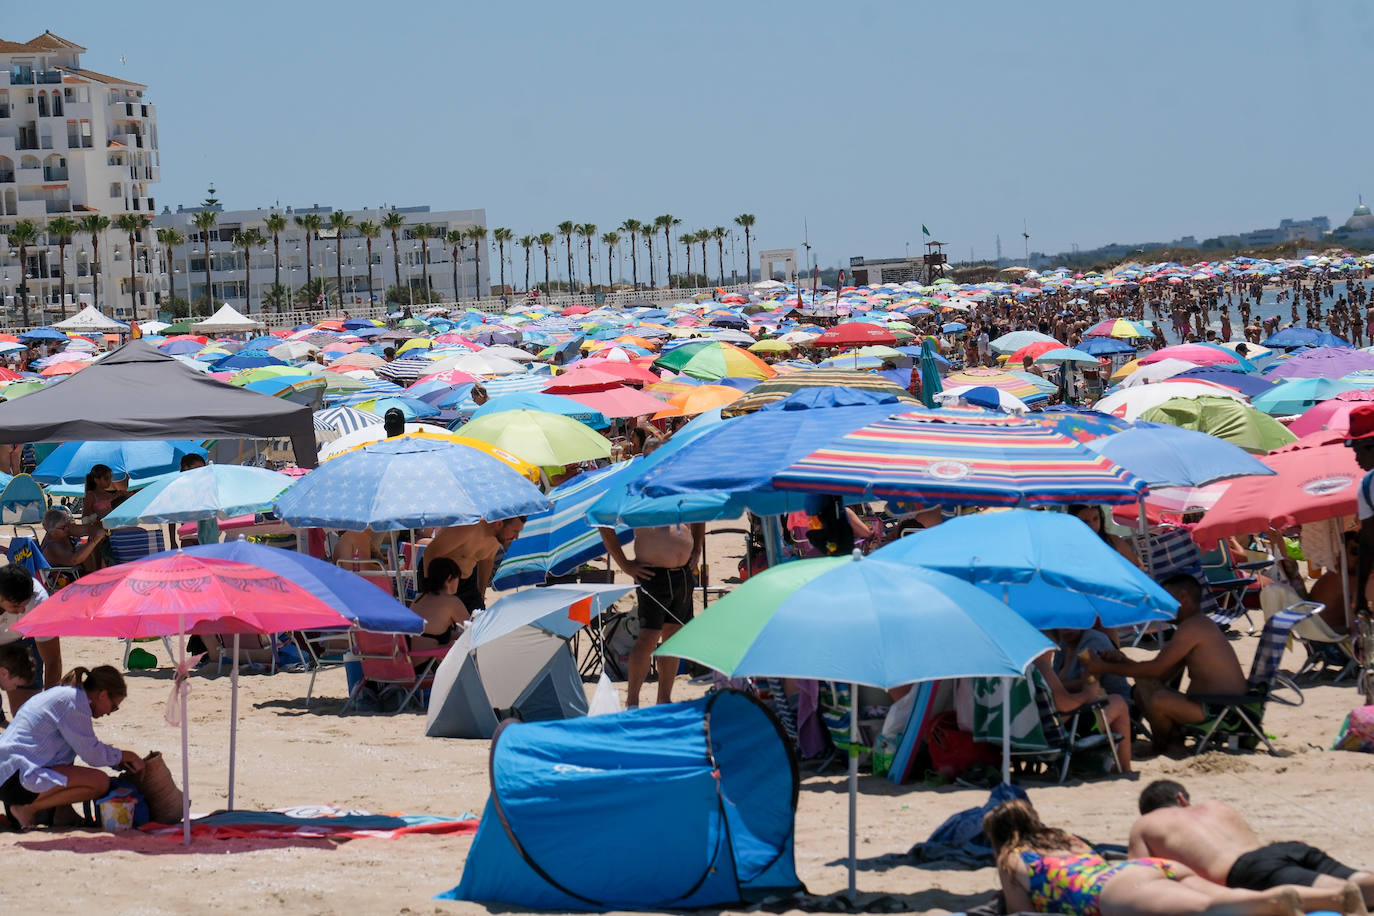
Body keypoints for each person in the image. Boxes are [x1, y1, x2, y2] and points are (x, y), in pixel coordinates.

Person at [985, 798, 1362, 916]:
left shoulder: (1011, 858)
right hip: (1142, 869)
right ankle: (1333, 897)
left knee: (1207, 910)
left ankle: (1276, 901)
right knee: (1227, 897)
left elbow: (1021, 912)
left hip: (1108, 891)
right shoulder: (1066, 839)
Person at [1130, 780, 1374, 906]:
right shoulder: (1215, 806)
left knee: (1344, 895)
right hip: (1286, 849)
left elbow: (1138, 875)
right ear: (1182, 798)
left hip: (1248, 869)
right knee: (1359, 881)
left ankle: (1348, 893)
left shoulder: (1145, 824)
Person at [1083, 574, 1247, 756]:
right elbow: (1158, 675)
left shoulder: (1194, 627)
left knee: (1159, 701)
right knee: (1142, 692)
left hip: (1224, 710)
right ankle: (1173, 741)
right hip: (1215, 706)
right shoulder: (1194, 626)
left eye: (1166, 599)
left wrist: (1103, 668)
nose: (1162, 607)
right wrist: (1122, 661)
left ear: (1183, 596)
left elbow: (1155, 669)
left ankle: (1164, 746)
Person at [0, 665, 145, 831]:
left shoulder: (66, 696)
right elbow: (92, 754)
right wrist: (126, 756)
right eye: (114, 707)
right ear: (103, 695)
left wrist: (118, 762)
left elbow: (73, 753)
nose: (110, 713)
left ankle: (61, 814)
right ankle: (27, 808)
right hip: (15, 779)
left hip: (8, 773)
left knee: (69, 762)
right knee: (99, 782)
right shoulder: (74, 702)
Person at [598, 518, 704, 708]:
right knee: (648, 638)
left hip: (683, 574)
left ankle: (664, 699)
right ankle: (632, 702)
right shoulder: (640, 498)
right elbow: (603, 523)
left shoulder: (681, 498)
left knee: (672, 640)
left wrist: (697, 548)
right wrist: (625, 564)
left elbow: (700, 514)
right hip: (651, 574)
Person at [0, 565, 60, 715]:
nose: (21, 610)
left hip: (21, 640)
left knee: (26, 715)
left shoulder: (39, 601)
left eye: (24, 604)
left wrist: (49, 705)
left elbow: (52, 660)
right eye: (15, 605)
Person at [1346, 405, 1374, 620]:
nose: (1356, 459)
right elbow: (1367, 541)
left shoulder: (1367, 486)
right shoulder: (1367, 486)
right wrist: (1361, 593)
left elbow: (1368, 541)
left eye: (1358, 450)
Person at [409, 556, 469, 652]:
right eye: (458, 578)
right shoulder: (451, 602)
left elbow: (432, 632)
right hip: (432, 658)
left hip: (413, 656)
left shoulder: (419, 598)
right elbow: (472, 628)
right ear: (449, 578)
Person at [39, 506, 106, 575]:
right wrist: (95, 540)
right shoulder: (51, 547)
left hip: (77, 573)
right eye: (63, 527)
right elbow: (74, 560)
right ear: (50, 531)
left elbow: (85, 529)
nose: (67, 529)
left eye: (67, 525)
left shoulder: (62, 533)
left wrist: (96, 529)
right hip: (64, 578)